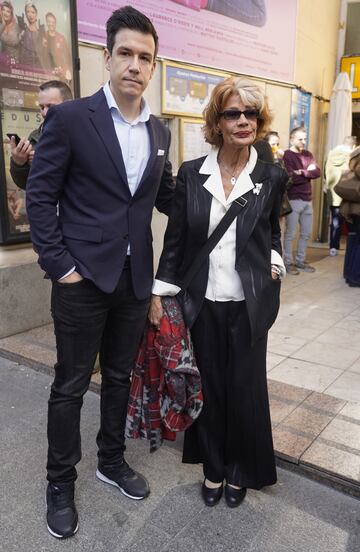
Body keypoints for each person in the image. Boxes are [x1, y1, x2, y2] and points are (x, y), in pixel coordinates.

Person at [26, 6, 174, 539]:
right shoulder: (70, 119)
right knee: (69, 385)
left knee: (118, 378)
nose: (136, 65)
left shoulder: (160, 132)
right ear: (106, 57)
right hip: (81, 279)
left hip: (134, 283)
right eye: (127, 54)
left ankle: (110, 461)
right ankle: (59, 481)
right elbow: (40, 197)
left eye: (146, 58)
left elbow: (165, 197)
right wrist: (60, 266)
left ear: (152, 67)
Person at [149, 77, 287, 508]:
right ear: (217, 121)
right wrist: (159, 295)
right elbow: (176, 243)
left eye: (251, 114)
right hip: (201, 303)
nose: (243, 121)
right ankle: (212, 468)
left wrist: (276, 264)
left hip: (249, 304)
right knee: (206, 387)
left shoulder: (271, 176)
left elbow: (272, 234)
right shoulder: (192, 173)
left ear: (259, 122)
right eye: (233, 113)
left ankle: (240, 470)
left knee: (244, 391)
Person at [9, 80, 73, 190]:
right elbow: (24, 184)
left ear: (69, 104)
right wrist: (19, 163)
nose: (44, 113)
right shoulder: (35, 136)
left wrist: (46, 163)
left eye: (50, 106)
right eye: (42, 107)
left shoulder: (83, 132)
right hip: (45, 205)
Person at [283, 126, 320, 275]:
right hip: (294, 199)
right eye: (300, 139)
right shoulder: (287, 155)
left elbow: (316, 172)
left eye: (305, 139)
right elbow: (291, 177)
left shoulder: (308, 154)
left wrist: (303, 172)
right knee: (290, 234)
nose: (303, 142)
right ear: (292, 139)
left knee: (306, 233)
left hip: (307, 199)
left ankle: (300, 260)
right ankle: (288, 262)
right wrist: (307, 172)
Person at [324, 136, 356, 256]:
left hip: (333, 194)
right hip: (348, 194)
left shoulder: (331, 154)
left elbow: (325, 174)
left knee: (335, 221)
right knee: (351, 222)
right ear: (353, 146)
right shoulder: (352, 157)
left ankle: (333, 247)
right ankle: (352, 249)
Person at [335, 146, 360, 287]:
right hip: (357, 208)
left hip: (351, 207)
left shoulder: (355, 153)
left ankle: (349, 273)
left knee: (353, 240)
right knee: (357, 242)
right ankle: (355, 277)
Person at [42, 12, 72, 81]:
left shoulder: (61, 38)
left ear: (55, 23)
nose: (51, 24)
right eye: (49, 22)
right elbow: (41, 56)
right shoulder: (43, 36)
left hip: (60, 73)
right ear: (46, 22)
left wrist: (66, 70)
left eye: (53, 22)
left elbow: (68, 56)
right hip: (47, 73)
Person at [20, 2, 45, 67]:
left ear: (36, 14)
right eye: (28, 12)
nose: (30, 15)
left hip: (37, 65)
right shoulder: (23, 30)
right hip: (24, 64)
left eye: (33, 12)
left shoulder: (41, 31)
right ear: (25, 14)